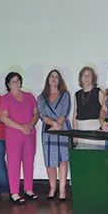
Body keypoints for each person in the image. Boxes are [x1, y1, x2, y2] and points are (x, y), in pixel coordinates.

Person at [0, 72, 39, 204]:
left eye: (17, 81)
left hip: (29, 133)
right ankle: (14, 192)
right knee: (14, 163)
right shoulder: (5, 99)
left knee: (29, 161)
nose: (16, 83)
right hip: (13, 135)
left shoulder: (29, 96)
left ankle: (28, 189)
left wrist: (30, 125)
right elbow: (3, 117)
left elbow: (36, 114)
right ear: (8, 84)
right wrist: (21, 127)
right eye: (13, 81)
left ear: (21, 82)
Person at [37, 69, 71, 201]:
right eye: (52, 76)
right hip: (48, 130)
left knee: (63, 159)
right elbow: (42, 114)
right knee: (50, 161)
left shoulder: (65, 95)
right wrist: (53, 124)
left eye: (56, 77)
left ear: (59, 80)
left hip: (63, 129)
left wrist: (57, 125)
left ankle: (62, 190)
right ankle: (52, 188)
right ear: (48, 79)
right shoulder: (41, 98)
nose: (54, 78)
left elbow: (64, 112)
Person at [73, 66, 105, 146]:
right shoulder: (77, 94)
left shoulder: (99, 92)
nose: (86, 78)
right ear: (81, 78)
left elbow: (105, 111)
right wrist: (75, 133)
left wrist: (102, 128)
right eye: (84, 76)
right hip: (81, 131)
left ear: (93, 78)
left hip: (95, 131)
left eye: (89, 75)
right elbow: (75, 114)